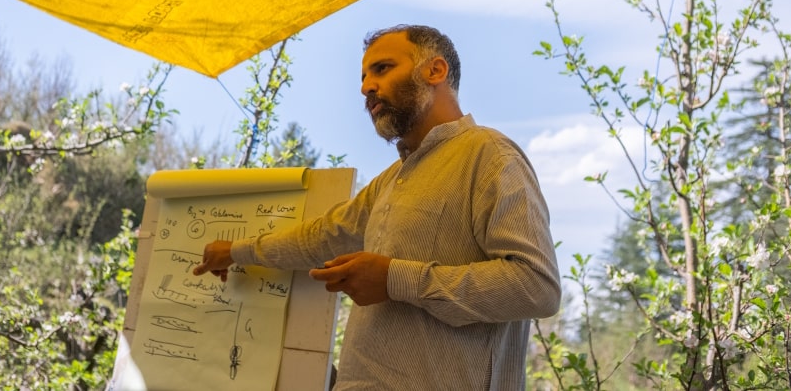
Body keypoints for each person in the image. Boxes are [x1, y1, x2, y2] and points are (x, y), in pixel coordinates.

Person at [194, 25, 560, 390]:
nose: (366, 87)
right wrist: (236, 251)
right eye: (364, 77)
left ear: (435, 71)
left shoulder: (490, 155)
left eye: (382, 69)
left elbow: (537, 286)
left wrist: (393, 279)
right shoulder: (391, 179)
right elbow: (322, 238)